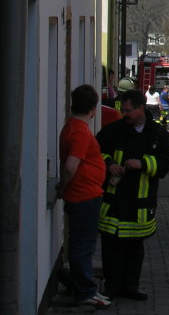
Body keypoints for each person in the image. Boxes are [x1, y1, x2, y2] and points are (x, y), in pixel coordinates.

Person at [96, 89, 169, 301]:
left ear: (141, 108)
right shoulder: (113, 131)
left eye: (129, 110)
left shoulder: (157, 134)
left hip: (140, 202)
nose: (125, 114)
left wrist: (143, 164)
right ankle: (112, 287)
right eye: (123, 110)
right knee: (111, 247)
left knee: (134, 248)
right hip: (114, 200)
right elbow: (97, 152)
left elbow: (167, 162)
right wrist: (109, 164)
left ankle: (131, 287)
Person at [58, 84, 110, 308]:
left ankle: (82, 286)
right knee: (84, 245)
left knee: (82, 243)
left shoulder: (72, 127)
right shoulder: (79, 131)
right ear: (93, 108)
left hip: (84, 194)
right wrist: (63, 186)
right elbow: (71, 166)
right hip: (84, 196)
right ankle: (85, 291)